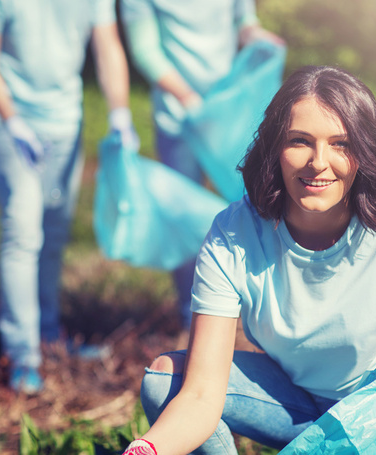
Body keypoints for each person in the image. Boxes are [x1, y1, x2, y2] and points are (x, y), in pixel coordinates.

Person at [122, 66, 376, 455]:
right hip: (298, 401)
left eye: (341, 144)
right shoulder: (233, 235)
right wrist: (146, 448)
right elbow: (200, 394)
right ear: (275, 148)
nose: (318, 161)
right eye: (300, 141)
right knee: (166, 381)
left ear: (365, 153)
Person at [0, 0, 137, 393]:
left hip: (65, 122)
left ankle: (49, 336)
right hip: (12, 123)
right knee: (23, 234)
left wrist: (121, 114)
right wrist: (12, 119)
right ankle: (21, 355)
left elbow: (107, 45)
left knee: (54, 233)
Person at [119, 0, 284, 345]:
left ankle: (254, 312)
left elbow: (243, 22)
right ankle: (191, 314)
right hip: (179, 120)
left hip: (230, 117)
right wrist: (188, 97)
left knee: (253, 210)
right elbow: (145, 50)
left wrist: (258, 37)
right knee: (182, 218)